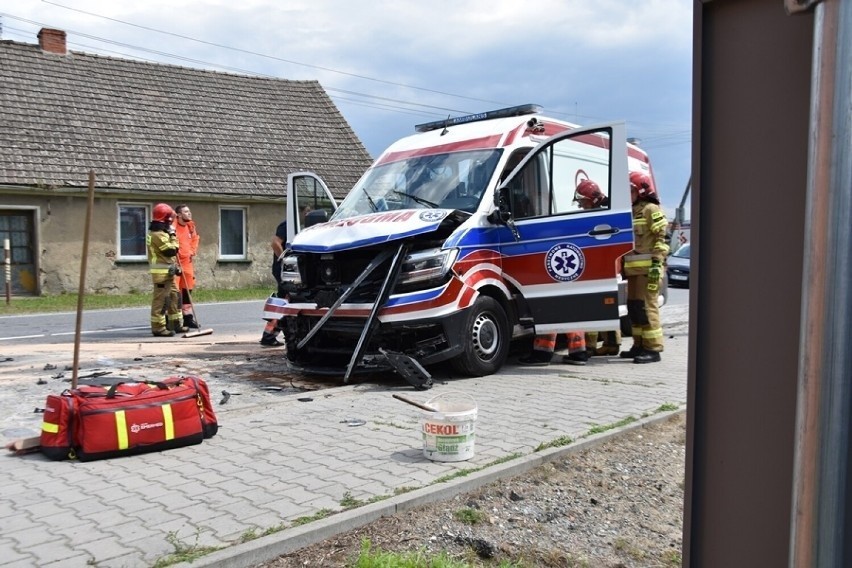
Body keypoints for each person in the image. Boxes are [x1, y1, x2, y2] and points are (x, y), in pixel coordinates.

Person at [621, 171, 669, 363]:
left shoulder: (651, 209)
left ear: (640, 190)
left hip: (648, 270)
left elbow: (663, 238)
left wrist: (658, 263)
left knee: (648, 308)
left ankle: (653, 348)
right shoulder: (632, 211)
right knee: (634, 308)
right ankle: (639, 344)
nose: (627, 194)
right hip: (633, 271)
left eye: (630, 190)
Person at [574, 178, 622, 357]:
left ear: (591, 199)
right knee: (607, 308)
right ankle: (612, 344)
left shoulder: (598, 215)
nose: (581, 206)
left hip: (602, 268)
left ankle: (590, 346)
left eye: (583, 202)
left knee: (593, 307)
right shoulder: (607, 211)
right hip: (607, 267)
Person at [147, 203, 183, 337]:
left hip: (169, 272)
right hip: (161, 275)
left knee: (175, 297)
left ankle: (176, 324)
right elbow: (171, 251)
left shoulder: (162, 232)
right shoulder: (157, 235)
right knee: (161, 300)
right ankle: (158, 327)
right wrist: (173, 235)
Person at [259, 217, 288, 347]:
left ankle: (272, 334)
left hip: (286, 270)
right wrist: (285, 261)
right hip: (284, 270)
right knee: (284, 300)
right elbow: (275, 243)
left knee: (286, 300)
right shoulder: (288, 225)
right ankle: (269, 335)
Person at [172, 204, 200, 329]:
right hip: (176, 262)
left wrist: (192, 251)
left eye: (189, 211)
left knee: (187, 290)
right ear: (178, 214)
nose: (189, 213)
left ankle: (188, 317)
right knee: (175, 292)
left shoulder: (190, 226)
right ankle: (174, 319)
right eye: (186, 212)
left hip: (187, 262)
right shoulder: (173, 227)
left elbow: (195, 239)